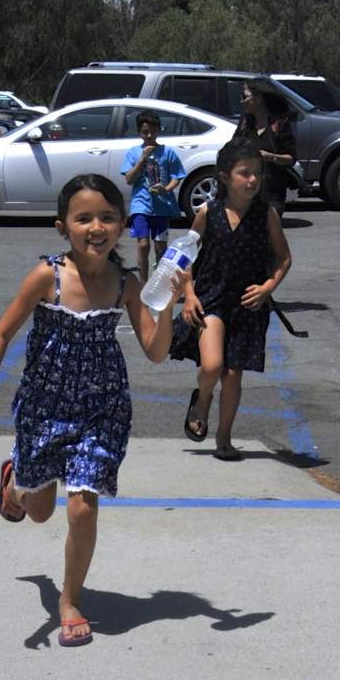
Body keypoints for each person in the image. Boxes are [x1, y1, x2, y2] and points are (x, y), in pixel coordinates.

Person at [0, 174, 185, 648]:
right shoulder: (47, 276)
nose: (96, 227)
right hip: (44, 408)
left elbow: (155, 351)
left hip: (101, 410)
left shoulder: (126, 283)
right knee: (40, 512)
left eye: (107, 217)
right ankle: (16, 481)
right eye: (84, 218)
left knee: (83, 506)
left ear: (123, 225)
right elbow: (1, 333)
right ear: (62, 227)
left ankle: (70, 600)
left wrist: (169, 303)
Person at [169, 137, 291, 461]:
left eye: (257, 174)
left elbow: (283, 259)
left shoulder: (267, 214)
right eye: (244, 173)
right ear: (225, 177)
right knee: (212, 366)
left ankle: (224, 437)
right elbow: (185, 256)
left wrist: (268, 287)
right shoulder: (207, 213)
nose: (252, 180)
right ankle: (202, 399)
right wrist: (189, 294)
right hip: (211, 299)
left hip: (248, 305)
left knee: (234, 375)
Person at [120, 109, 185, 286]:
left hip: (162, 207)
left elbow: (177, 176)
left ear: (159, 130)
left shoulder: (168, 152)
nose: (149, 135)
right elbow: (129, 179)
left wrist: (166, 189)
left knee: (160, 246)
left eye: (153, 131)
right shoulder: (134, 152)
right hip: (140, 204)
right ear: (139, 132)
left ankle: (159, 282)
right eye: (145, 132)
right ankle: (143, 284)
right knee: (143, 244)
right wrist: (142, 158)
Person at [236, 79, 299, 214]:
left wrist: (270, 157)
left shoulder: (279, 124)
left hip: (272, 193)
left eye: (244, 96)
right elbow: (233, 147)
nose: (241, 101)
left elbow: (291, 158)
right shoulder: (245, 122)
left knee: (269, 226)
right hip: (246, 192)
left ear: (258, 98)